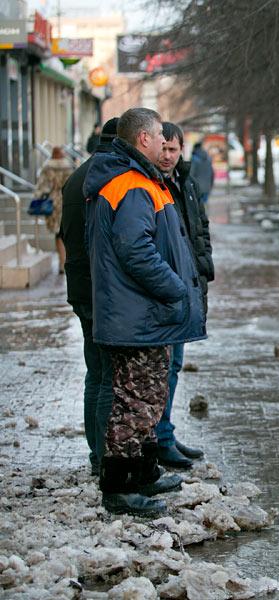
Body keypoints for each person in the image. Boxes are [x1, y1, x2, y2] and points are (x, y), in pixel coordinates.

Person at [84, 107, 206, 516]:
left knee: (148, 399)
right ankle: (120, 487)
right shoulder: (132, 184)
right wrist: (174, 288)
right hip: (137, 314)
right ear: (144, 140)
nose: (162, 143)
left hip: (144, 314)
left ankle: (144, 472)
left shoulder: (141, 180)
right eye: (158, 136)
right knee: (134, 402)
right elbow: (135, 249)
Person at [60, 118, 119, 476]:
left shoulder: (79, 175)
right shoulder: (105, 179)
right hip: (101, 291)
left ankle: (97, 453)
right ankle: (104, 455)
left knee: (94, 373)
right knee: (107, 376)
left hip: (81, 287)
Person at [154, 121, 215, 469]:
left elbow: (200, 228)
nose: (167, 156)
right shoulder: (152, 184)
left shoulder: (185, 183)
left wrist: (204, 264)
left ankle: (165, 434)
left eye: (173, 150)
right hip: (167, 290)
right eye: (163, 149)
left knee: (174, 365)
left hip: (187, 287)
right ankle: (158, 438)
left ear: (181, 150)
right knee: (161, 368)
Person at [36, 147, 74, 274]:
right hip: (67, 200)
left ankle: (62, 262)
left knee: (57, 234)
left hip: (53, 202)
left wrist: (38, 197)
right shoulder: (68, 166)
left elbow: (42, 187)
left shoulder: (47, 167)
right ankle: (67, 260)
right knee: (66, 232)